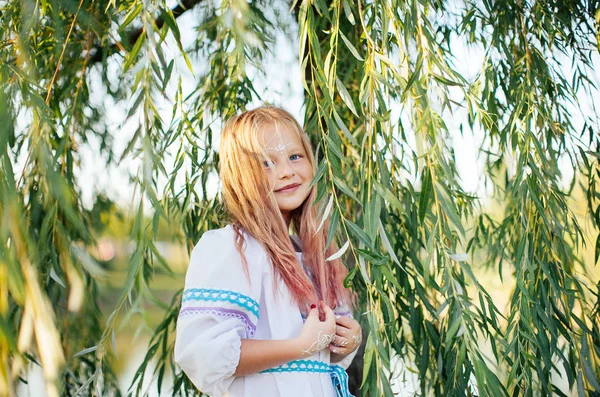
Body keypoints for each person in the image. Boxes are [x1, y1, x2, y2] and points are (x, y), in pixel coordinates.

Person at [174, 106, 362, 396]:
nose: (286, 172)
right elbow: (207, 356)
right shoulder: (231, 249)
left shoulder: (318, 256)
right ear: (241, 177)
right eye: (266, 163)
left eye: (294, 157)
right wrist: (300, 346)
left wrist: (345, 342)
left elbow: (316, 356)